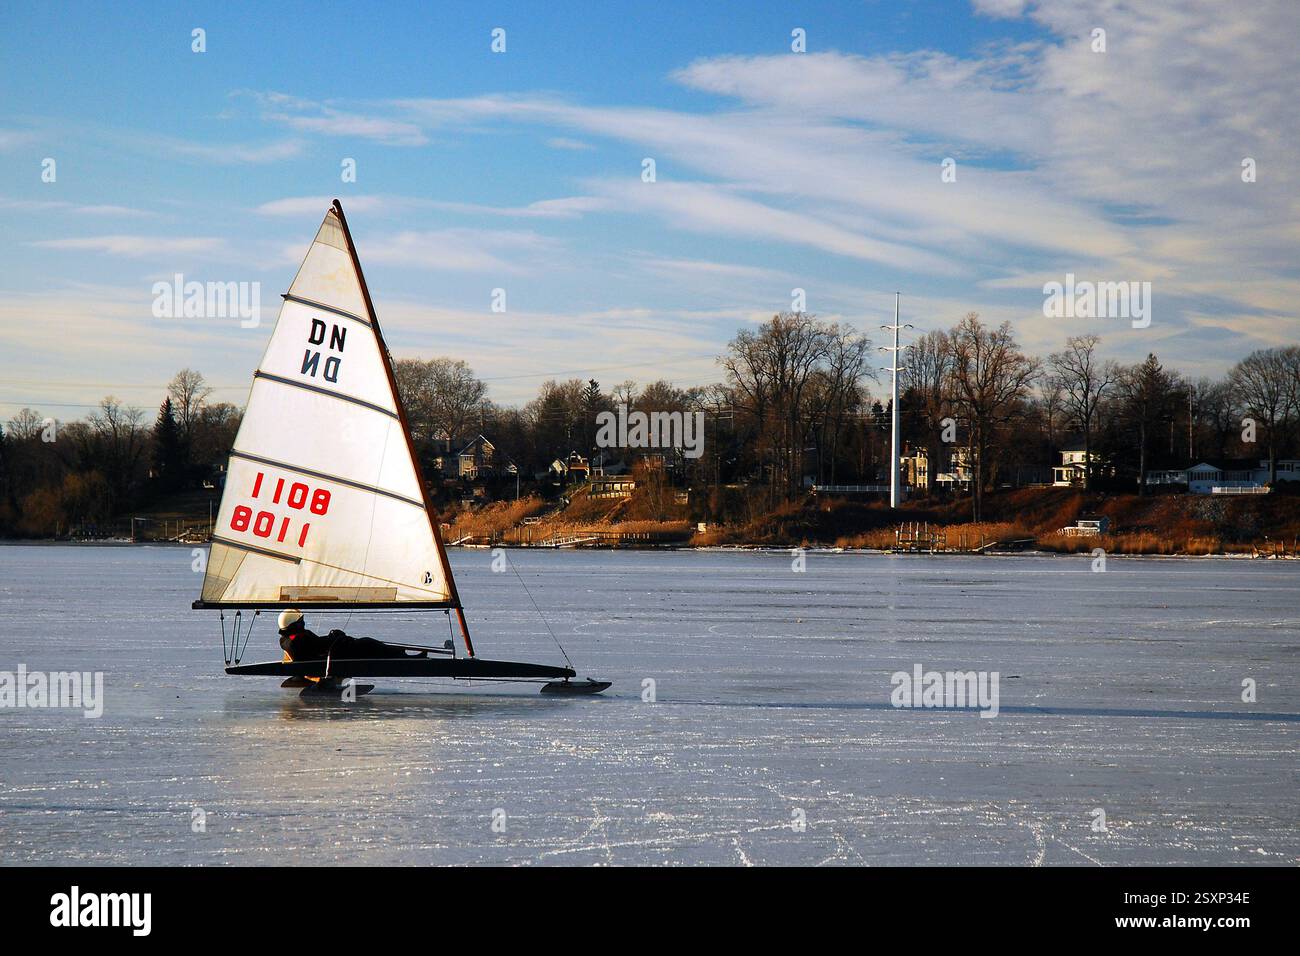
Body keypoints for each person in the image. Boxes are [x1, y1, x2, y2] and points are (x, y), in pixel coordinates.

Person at [276, 609, 414, 662]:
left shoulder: (287, 639)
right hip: (336, 656)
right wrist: (335, 638)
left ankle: (401, 654)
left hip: (332, 653)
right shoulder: (297, 639)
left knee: (367, 643)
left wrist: (332, 637)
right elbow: (318, 646)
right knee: (368, 643)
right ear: (294, 625)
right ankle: (403, 657)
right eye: (301, 622)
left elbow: (316, 644)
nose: (304, 623)